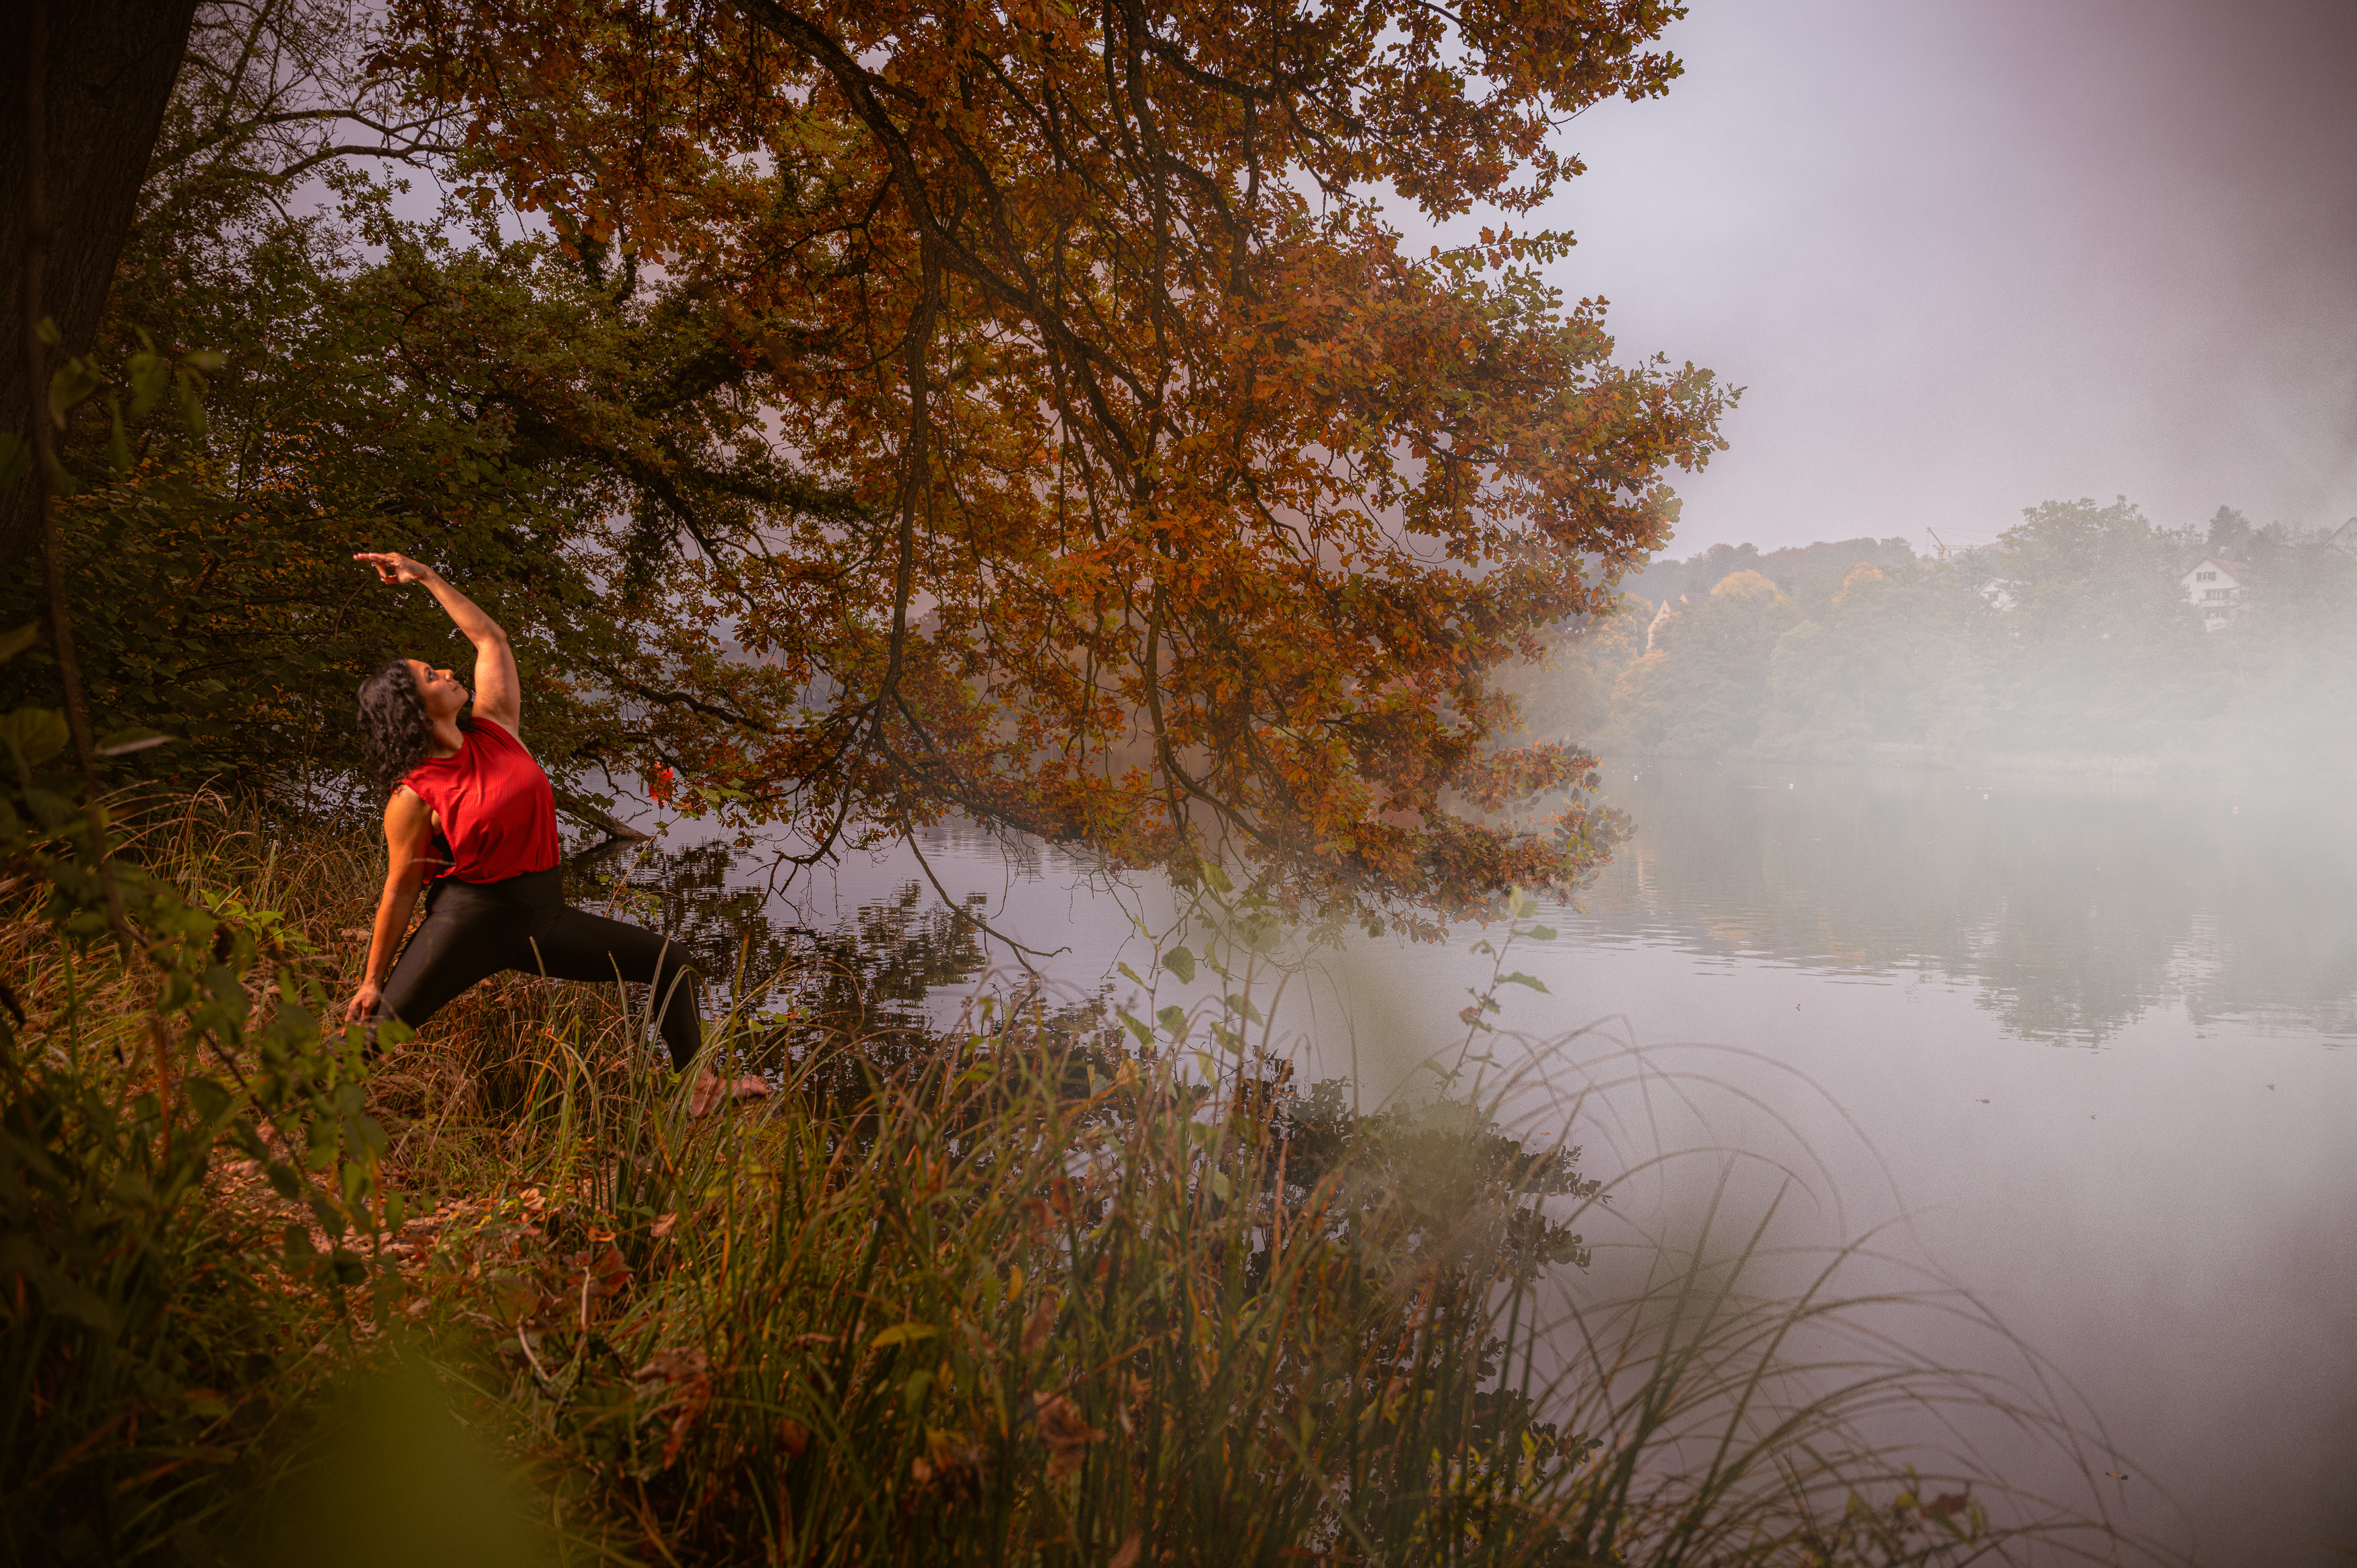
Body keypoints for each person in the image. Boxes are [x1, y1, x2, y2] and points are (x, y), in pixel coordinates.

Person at [341, 551, 766, 1114]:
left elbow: (490, 640)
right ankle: (281, 1113)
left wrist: (425, 577)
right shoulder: (416, 795)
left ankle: (701, 1085)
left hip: (544, 916)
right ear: (415, 710)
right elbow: (399, 890)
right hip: (468, 921)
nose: (447, 672)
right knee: (376, 1036)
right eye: (431, 676)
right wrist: (372, 978)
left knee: (672, 961)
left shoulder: (497, 729)